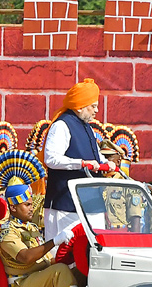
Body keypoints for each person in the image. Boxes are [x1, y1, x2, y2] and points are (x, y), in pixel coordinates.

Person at [0, 179, 88, 287]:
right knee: (59, 272)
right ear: (13, 207)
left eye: (31, 204)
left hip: (40, 276)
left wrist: (73, 262)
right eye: (26, 205)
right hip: (22, 282)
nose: (31, 208)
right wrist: (55, 241)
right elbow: (26, 257)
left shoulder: (31, 228)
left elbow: (48, 259)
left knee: (83, 269)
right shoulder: (7, 232)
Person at [42, 79, 111, 244]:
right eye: (92, 106)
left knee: (93, 249)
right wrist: (80, 163)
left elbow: (95, 156)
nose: (96, 110)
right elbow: (50, 158)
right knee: (62, 254)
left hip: (90, 202)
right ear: (80, 105)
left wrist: (107, 163)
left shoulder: (87, 126)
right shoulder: (62, 125)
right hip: (65, 205)